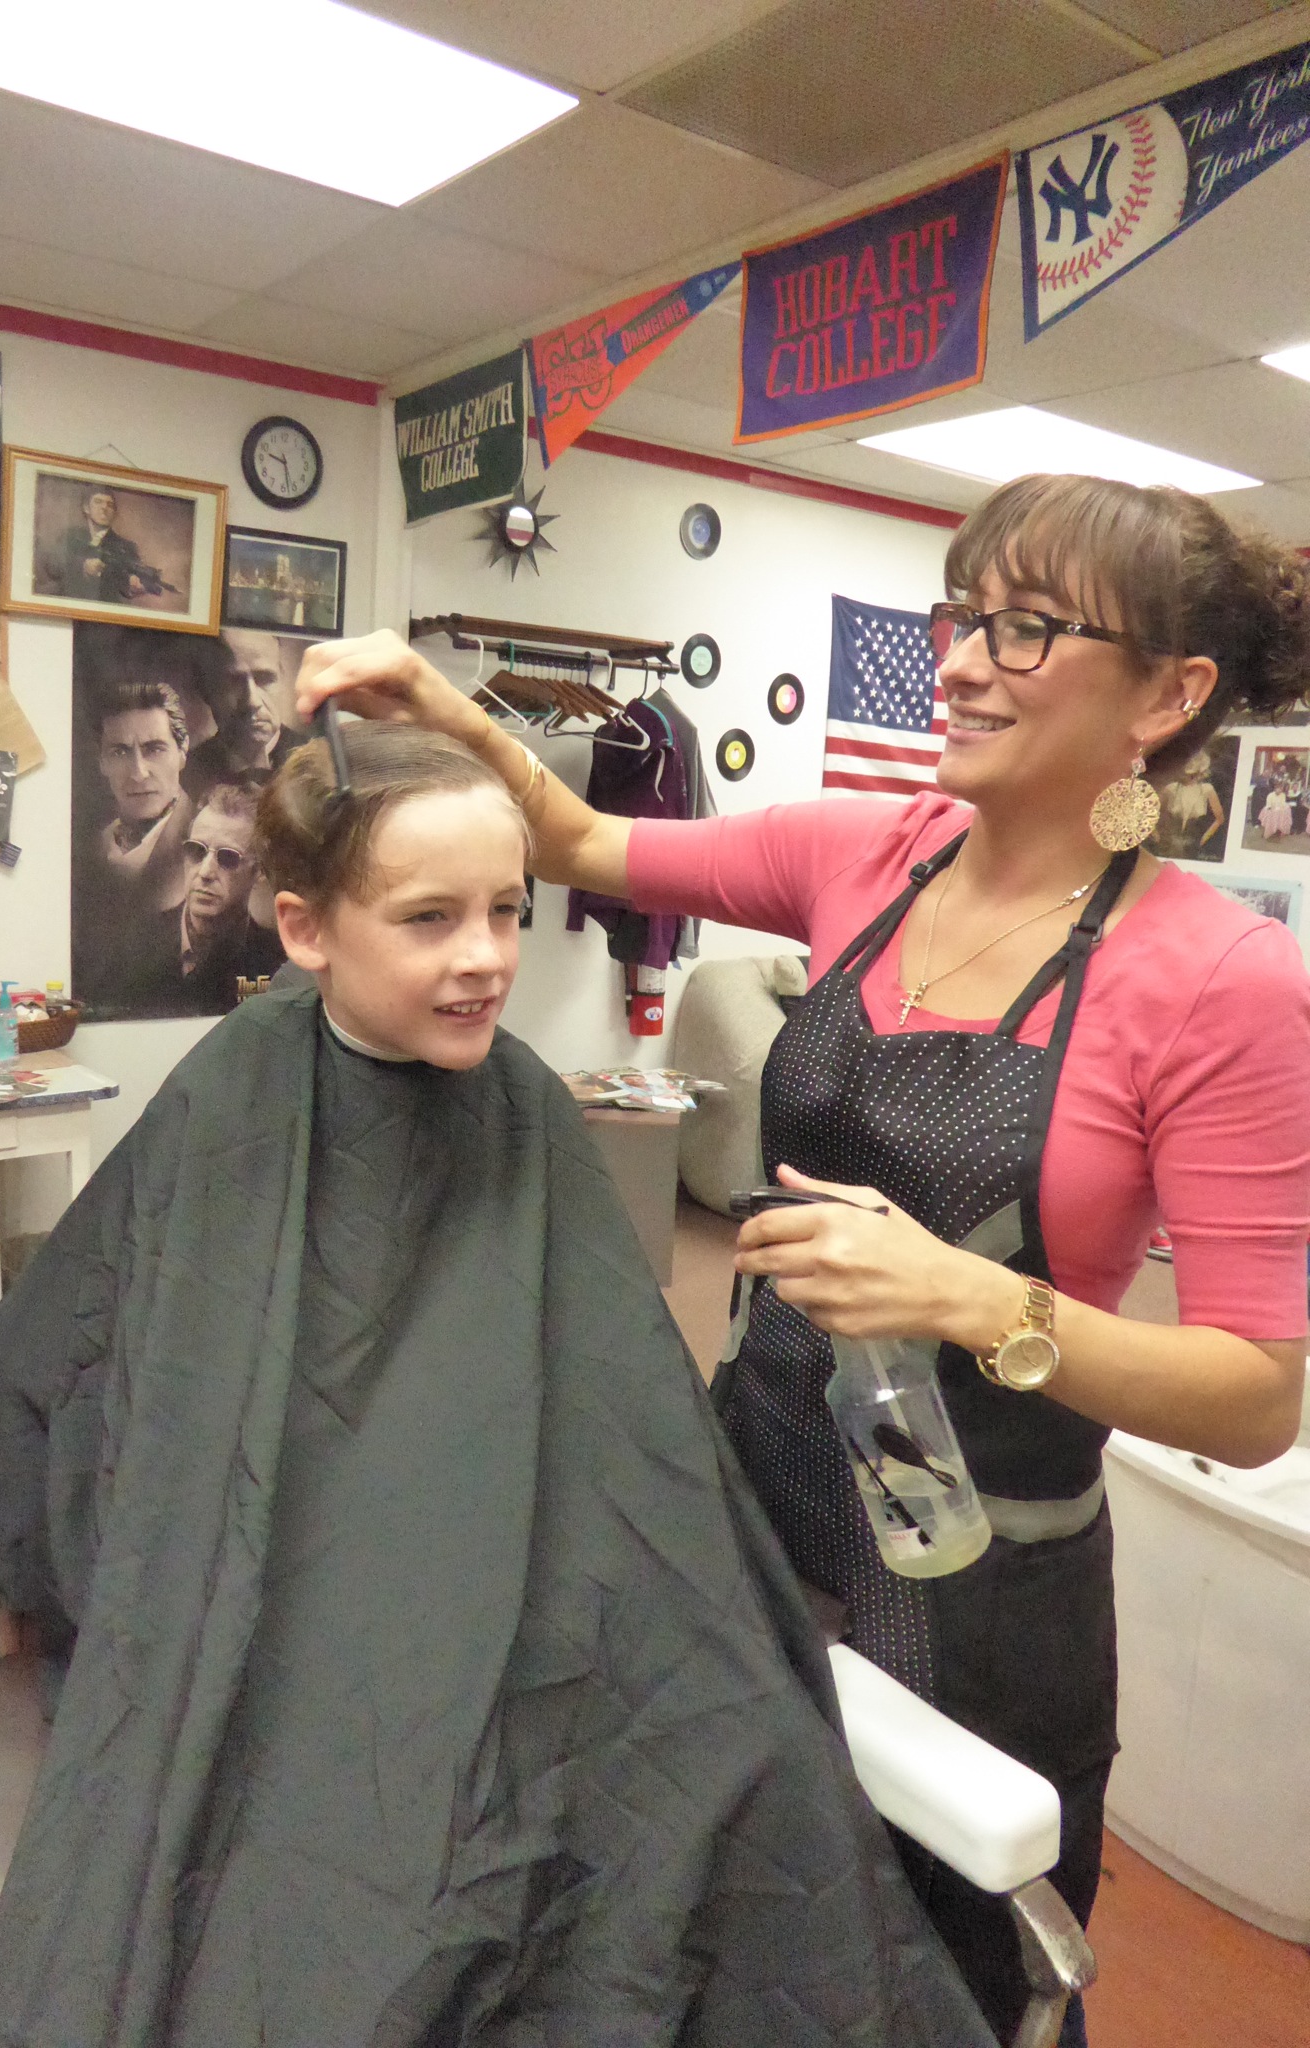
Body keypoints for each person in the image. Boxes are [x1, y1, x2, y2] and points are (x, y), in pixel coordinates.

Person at [294, 474, 1310, 2048]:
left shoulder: (1225, 981)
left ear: (1167, 698)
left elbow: (1255, 1398)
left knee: (919, 1976)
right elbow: (577, 836)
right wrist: (438, 703)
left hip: (980, 1585)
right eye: (962, 614)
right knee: (713, 1922)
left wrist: (979, 1299)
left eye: (1025, 629)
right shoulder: (867, 853)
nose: (960, 661)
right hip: (756, 1492)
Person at [0, 722, 991, 2048]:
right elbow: (127, 1386)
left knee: (738, 1786)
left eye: (507, 911)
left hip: (550, 1574)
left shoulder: (527, 1110)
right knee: (331, 1873)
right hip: (299, 1584)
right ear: (306, 929)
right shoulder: (236, 1094)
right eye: (429, 918)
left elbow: (622, 1415)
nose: (485, 958)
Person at [121, 780, 288, 1016]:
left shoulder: (278, 962)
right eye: (196, 850)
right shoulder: (133, 946)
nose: (205, 872)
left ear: (259, 869)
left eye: (228, 857)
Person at [90, 678, 194, 910]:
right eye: (119, 753)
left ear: (182, 752)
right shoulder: (95, 847)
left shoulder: (202, 844)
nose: (138, 773)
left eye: (155, 749)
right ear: (102, 762)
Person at [182, 628, 304, 795]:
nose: (252, 701)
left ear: (282, 680)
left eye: (264, 679)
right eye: (233, 682)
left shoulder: (320, 760)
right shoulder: (184, 773)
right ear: (205, 690)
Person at [40, 486, 160, 605]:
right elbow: (52, 565)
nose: (104, 507)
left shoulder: (126, 547)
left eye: (110, 505)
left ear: (114, 513)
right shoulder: (70, 537)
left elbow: (127, 586)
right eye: (98, 502)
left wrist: (132, 587)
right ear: (86, 508)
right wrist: (83, 566)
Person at [1152, 747, 1224, 859]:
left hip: (1193, 846)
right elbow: (1149, 811)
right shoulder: (1171, 788)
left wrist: (1203, 839)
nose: (1189, 777)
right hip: (1168, 845)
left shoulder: (1207, 789)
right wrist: (1156, 835)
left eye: (1193, 774)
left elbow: (1220, 819)